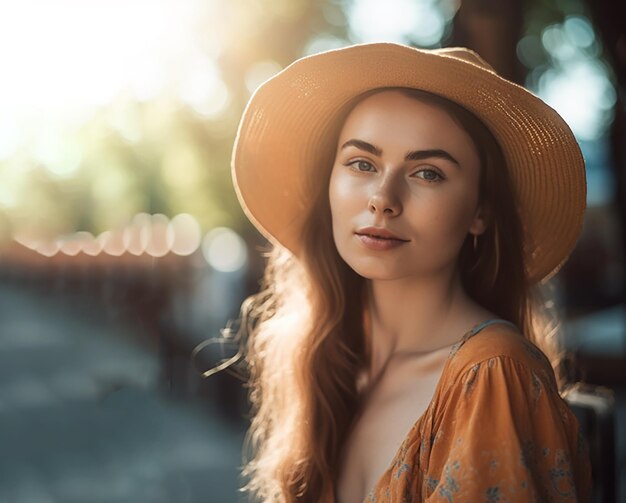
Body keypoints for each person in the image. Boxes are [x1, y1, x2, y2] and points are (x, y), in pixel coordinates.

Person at [229, 43, 592, 502]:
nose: (383, 197)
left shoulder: (490, 378)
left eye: (427, 173)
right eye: (362, 163)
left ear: (480, 210)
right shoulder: (331, 362)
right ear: (329, 183)